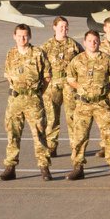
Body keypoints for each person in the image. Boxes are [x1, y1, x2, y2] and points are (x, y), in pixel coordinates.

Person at [64, 28, 110, 180]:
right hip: (83, 104)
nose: (93, 43)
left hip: (102, 103)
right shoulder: (77, 60)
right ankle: (78, 167)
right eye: (90, 41)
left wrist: (108, 94)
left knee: (109, 136)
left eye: (95, 41)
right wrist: (81, 88)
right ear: (84, 43)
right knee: (79, 137)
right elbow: (70, 78)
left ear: (99, 42)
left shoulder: (107, 60)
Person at [0, 22, 52, 181]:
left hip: (33, 100)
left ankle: (44, 167)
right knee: (12, 134)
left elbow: (47, 77)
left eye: (25, 36)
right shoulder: (11, 54)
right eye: (19, 36)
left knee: (39, 134)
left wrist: (35, 93)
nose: (22, 38)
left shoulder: (38, 53)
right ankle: (10, 167)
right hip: (15, 100)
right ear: (14, 37)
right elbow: (8, 76)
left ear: (30, 36)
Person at [39, 16, 81, 159]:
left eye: (66, 27)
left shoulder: (74, 45)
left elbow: (82, 61)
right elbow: (40, 64)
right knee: (52, 117)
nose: (64, 29)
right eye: (61, 27)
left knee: (72, 117)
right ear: (54, 27)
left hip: (69, 84)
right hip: (52, 84)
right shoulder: (46, 46)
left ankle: (75, 145)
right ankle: (51, 146)